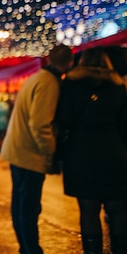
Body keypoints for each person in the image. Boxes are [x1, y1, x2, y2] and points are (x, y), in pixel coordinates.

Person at [0, 44, 74, 254]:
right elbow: (40, 124)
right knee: (28, 208)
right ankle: (31, 249)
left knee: (21, 206)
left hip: (19, 151)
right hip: (29, 154)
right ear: (69, 63)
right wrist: (49, 153)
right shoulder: (48, 82)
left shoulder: (38, 77)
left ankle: (26, 247)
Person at [54, 47, 127, 254]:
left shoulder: (70, 85)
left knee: (88, 209)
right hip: (114, 153)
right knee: (118, 209)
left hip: (81, 153)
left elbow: (64, 119)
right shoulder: (118, 86)